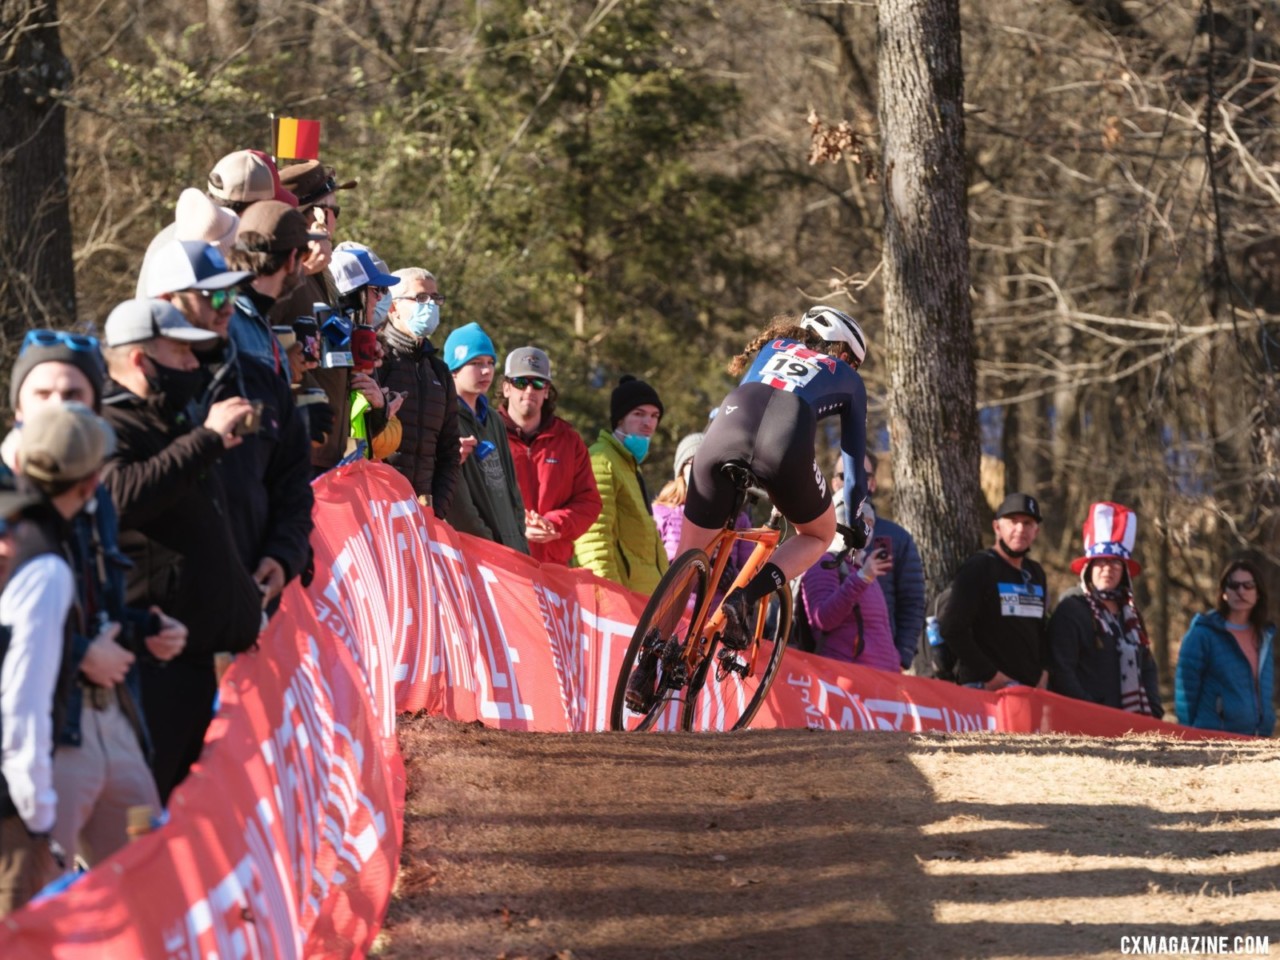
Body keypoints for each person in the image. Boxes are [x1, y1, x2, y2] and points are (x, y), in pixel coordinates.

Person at [6, 333, 187, 869]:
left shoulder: (93, 493)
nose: (59, 407)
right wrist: (80, 651)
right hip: (39, 739)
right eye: (43, 394)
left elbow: (91, 602)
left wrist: (140, 628)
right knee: (38, 912)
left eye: (74, 393)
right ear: (18, 405)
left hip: (113, 718)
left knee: (150, 885)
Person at [99, 299, 263, 801]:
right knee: (145, 820)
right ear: (141, 361)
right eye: (182, 353)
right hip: (153, 664)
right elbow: (119, 498)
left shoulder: (170, 421)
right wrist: (204, 441)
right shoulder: (106, 425)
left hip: (197, 660)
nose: (195, 365)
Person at [673, 307, 871, 652]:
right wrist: (855, 525)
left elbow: (721, 412)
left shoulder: (774, 347)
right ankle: (744, 598)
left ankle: (646, 660)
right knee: (818, 533)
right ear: (843, 354)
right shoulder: (847, 377)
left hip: (725, 428)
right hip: (785, 437)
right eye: (853, 363)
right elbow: (853, 474)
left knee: (687, 559)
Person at [153, 239, 315, 614]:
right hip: (169, 619)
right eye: (212, 295)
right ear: (165, 300)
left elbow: (292, 479)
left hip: (251, 602)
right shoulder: (140, 387)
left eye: (231, 291)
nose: (227, 306)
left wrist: (284, 554)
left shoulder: (260, 380)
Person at [0, 403, 114, 915]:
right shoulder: (46, 567)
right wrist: (40, 814)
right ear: (90, 485)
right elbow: (22, 701)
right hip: (11, 810)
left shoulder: (11, 533)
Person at [1048, 502, 1162, 717]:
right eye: (1100, 562)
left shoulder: (1131, 615)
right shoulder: (1072, 609)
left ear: (1124, 571)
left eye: (1115, 563)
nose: (1107, 569)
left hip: (1133, 724)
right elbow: (1063, 670)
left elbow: (1147, 664)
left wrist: (1154, 709)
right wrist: (1092, 711)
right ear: (1088, 569)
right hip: (1084, 722)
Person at [499, 346, 600, 564]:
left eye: (537, 383)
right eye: (520, 382)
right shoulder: (487, 434)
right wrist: (517, 524)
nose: (529, 391)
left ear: (546, 391)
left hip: (554, 572)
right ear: (506, 388)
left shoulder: (569, 440)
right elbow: (473, 500)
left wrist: (555, 524)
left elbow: (589, 501)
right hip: (502, 566)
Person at [938, 492, 1049, 690]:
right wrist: (990, 675)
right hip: (985, 690)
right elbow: (951, 628)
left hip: (1028, 693)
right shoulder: (980, 567)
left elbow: (1041, 631)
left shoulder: (1036, 573)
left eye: (1027, 523)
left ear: (1036, 532)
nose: (1020, 529)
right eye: (1012, 521)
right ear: (997, 527)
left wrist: (1044, 673)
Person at [374, 268, 461, 516]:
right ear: (392, 307)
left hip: (424, 514)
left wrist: (438, 510)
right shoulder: (377, 359)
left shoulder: (439, 372)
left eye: (435, 298)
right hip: (378, 509)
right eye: (421, 298)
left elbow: (449, 452)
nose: (431, 305)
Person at [574, 375, 668, 593]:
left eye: (654, 416)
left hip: (644, 603)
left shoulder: (630, 465)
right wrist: (608, 598)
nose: (649, 423)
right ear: (619, 419)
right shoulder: (601, 460)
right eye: (638, 414)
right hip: (619, 606)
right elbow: (592, 538)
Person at [441, 324, 529, 552]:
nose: (486, 371)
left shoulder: (494, 419)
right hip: (480, 554)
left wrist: (518, 538)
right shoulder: (445, 418)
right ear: (454, 369)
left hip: (513, 550)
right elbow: (458, 503)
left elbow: (512, 488)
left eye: (490, 363)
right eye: (476, 363)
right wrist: (489, 546)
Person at [1175, 558, 1275, 736]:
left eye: (1248, 585)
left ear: (1258, 592)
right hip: (1215, 738)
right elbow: (1185, 691)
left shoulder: (1265, 635)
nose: (1241, 591)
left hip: (1258, 739)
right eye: (1233, 585)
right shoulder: (1202, 634)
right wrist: (1190, 734)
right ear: (1224, 592)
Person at [225, 200, 325, 376]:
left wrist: (283, 366)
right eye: (305, 255)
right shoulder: (231, 318)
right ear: (293, 258)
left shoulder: (233, 311)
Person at [651, 432, 747, 600]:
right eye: (694, 462)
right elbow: (648, 568)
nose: (702, 471)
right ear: (681, 469)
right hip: (670, 615)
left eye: (710, 466)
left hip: (717, 619)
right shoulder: (660, 514)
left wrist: (732, 578)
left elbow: (750, 574)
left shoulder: (738, 520)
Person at [800, 510, 899, 671]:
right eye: (863, 521)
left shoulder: (863, 568)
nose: (867, 529)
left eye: (871, 524)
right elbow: (822, 619)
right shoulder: (824, 563)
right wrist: (862, 578)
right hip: (846, 678)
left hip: (882, 680)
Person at [862, 451, 926, 670]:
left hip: (882, 666)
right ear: (833, 482)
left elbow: (913, 602)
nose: (852, 480)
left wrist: (901, 657)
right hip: (827, 664)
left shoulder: (897, 538)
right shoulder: (821, 536)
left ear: (872, 483)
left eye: (862, 475)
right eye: (844, 475)